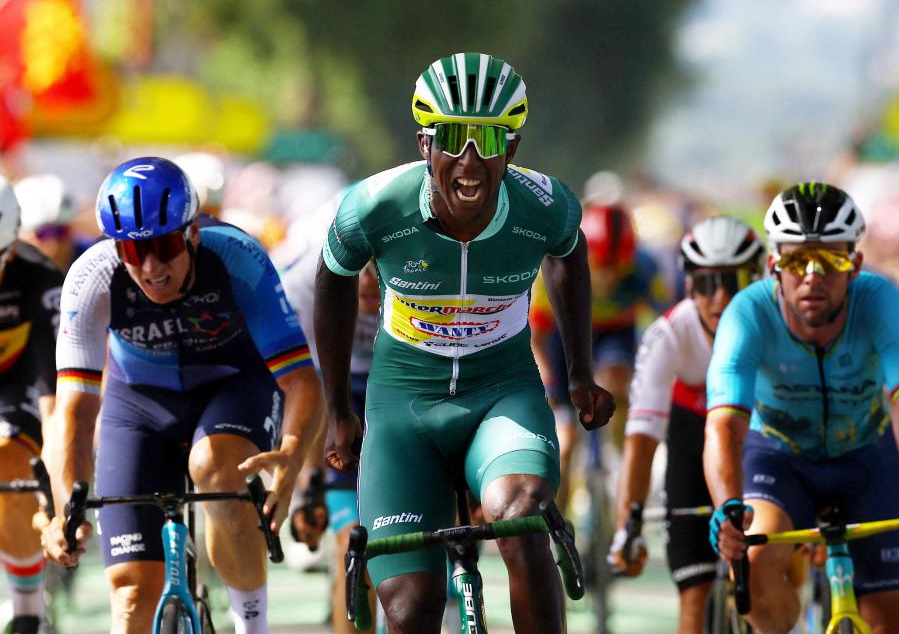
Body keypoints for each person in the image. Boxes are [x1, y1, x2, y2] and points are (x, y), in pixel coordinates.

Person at [315, 52, 615, 633]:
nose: (470, 160)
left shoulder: (544, 204)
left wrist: (579, 371)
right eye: (453, 138)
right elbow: (332, 277)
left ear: (513, 148)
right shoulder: (375, 206)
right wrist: (336, 411)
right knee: (408, 607)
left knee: (521, 517)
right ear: (426, 144)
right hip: (404, 405)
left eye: (489, 139)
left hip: (501, 393)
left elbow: (569, 253)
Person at [38, 157, 324, 634]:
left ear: (191, 233)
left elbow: (301, 379)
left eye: (165, 245)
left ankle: (252, 625)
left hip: (233, 383)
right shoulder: (90, 278)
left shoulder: (236, 257)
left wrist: (292, 459)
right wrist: (63, 506)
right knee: (130, 596)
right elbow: (74, 407)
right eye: (132, 251)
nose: (150, 267)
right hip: (138, 404)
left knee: (213, 465)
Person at [704, 182, 899, 634]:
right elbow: (723, 428)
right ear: (773, 265)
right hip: (778, 459)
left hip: (865, 456)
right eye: (798, 260)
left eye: (831, 259)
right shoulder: (748, 312)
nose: (813, 275)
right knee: (754, 562)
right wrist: (727, 506)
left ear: (855, 264)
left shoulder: (880, 301)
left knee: (896, 625)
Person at [607, 215, 764, 633]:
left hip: (757, 439)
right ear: (690, 286)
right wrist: (628, 525)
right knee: (694, 593)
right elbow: (641, 441)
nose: (722, 298)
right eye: (708, 284)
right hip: (692, 439)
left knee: (770, 573)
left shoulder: (774, 327)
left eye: (736, 282)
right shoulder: (669, 334)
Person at [529, 198, 668, 508]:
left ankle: (620, 453)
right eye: (600, 266)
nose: (608, 278)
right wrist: (547, 382)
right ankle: (557, 523)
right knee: (564, 446)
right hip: (561, 344)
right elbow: (536, 340)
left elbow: (669, 323)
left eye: (618, 267)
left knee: (616, 379)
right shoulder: (556, 271)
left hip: (614, 340)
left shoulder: (644, 269)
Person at [282, 249, 379, 634]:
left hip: (402, 383)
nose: (370, 282)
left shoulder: (427, 268)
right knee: (355, 549)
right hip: (334, 387)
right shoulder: (304, 287)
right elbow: (306, 393)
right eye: (362, 275)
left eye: (379, 273)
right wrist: (310, 488)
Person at [0, 177, 63, 634]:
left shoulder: (40, 279)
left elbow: (55, 393)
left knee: (7, 461)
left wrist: (60, 468)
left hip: (21, 380)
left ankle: (28, 609)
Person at [13, 174, 84, 274]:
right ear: (18, 239)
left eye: (61, 231)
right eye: (43, 234)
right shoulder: (6, 274)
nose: (54, 245)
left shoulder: (93, 259)